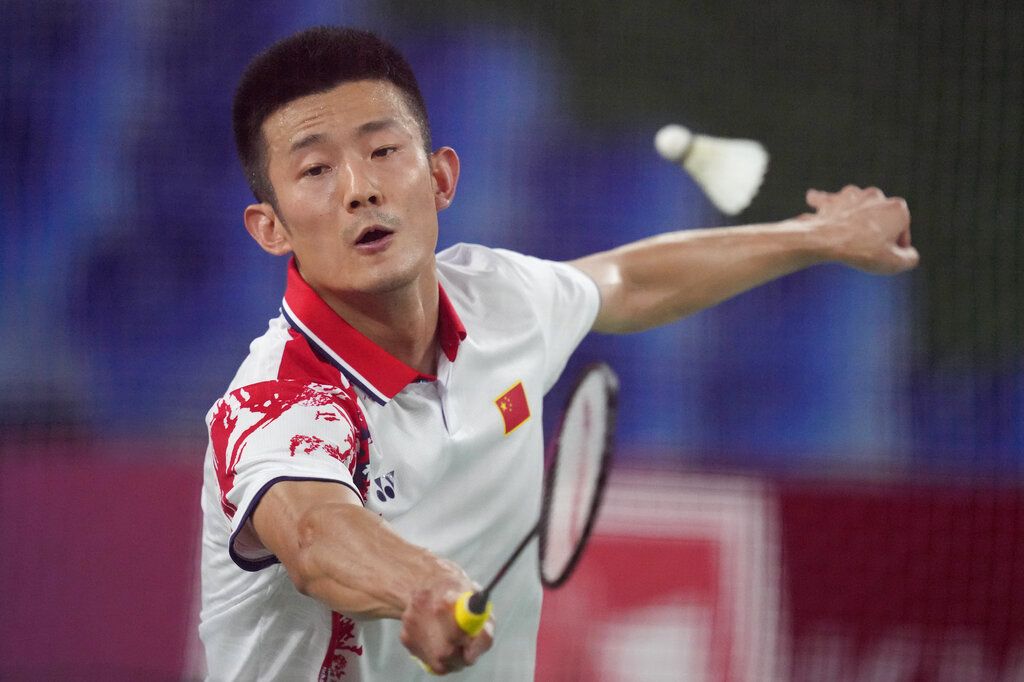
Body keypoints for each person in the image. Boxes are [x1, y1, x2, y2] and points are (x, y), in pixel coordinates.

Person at [198, 25, 919, 681]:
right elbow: (315, 532)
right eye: (316, 171)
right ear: (271, 228)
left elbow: (628, 278)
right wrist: (423, 588)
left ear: (442, 177)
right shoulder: (276, 402)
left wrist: (815, 236)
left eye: (384, 151)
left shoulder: (499, 301)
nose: (360, 189)